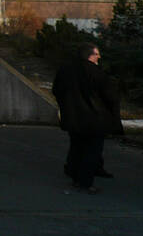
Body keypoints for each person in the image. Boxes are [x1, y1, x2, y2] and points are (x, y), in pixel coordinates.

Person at [52, 42, 123, 193]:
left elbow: (56, 90)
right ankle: (85, 181)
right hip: (94, 119)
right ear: (89, 55)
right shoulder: (97, 73)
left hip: (73, 117)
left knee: (76, 147)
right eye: (97, 54)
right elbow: (110, 96)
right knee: (92, 151)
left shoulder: (65, 70)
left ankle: (75, 175)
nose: (99, 57)